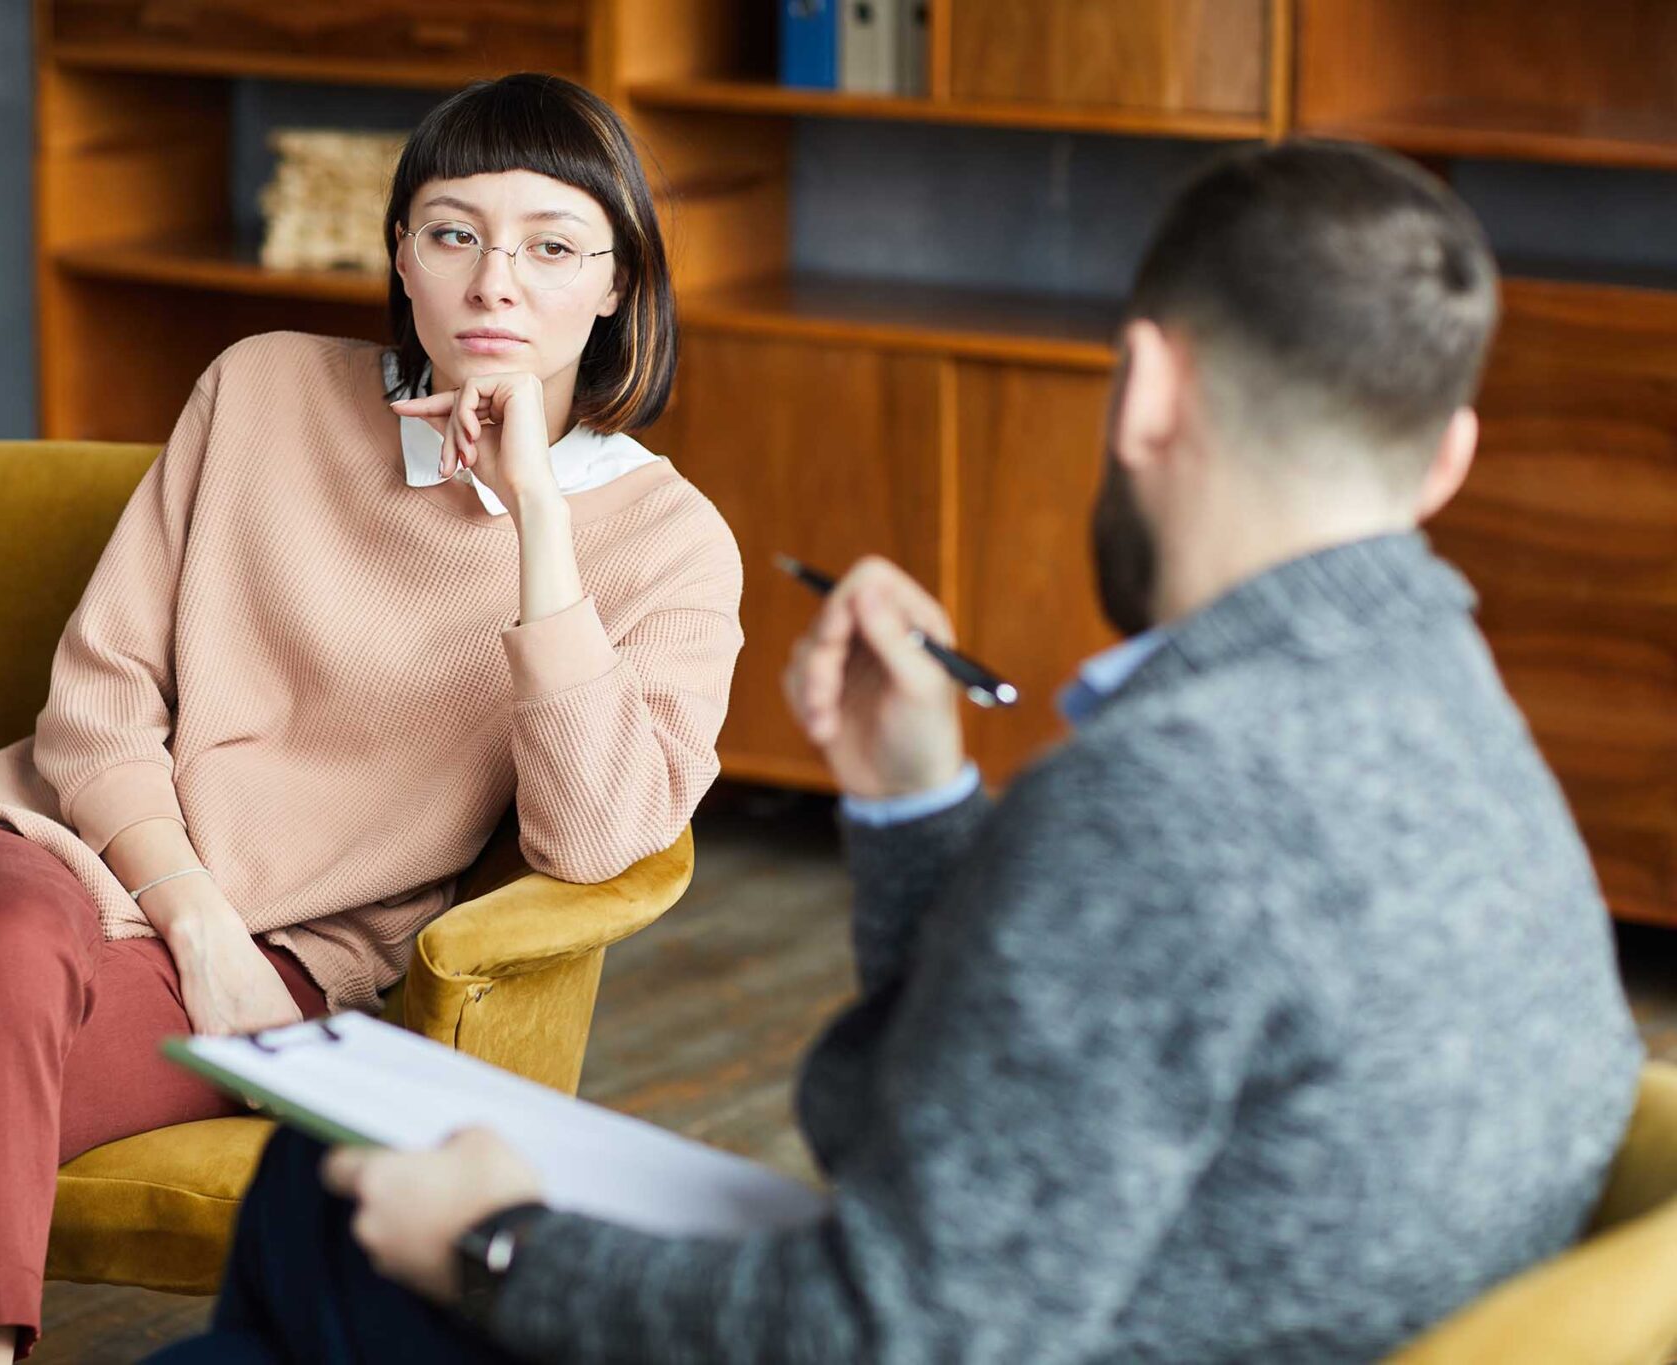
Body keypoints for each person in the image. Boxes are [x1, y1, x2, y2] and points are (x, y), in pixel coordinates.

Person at [147, 139, 1645, 1365]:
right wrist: (918, 797)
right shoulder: (1459, 707)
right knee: (311, 1209)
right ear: (1445, 459)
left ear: (1153, 387)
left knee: (314, 1230)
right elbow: (988, 1119)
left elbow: (894, 1312)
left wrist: (499, 1243)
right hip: (1122, 1300)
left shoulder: (1171, 797)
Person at [0, 73, 743, 1365]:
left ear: (616, 285)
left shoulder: (668, 544)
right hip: (39, 854)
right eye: (454, 232)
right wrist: (197, 918)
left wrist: (540, 519)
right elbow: (94, 713)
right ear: (401, 255)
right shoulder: (259, 390)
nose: (497, 282)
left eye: (552, 245)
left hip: (287, 959)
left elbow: (594, 837)